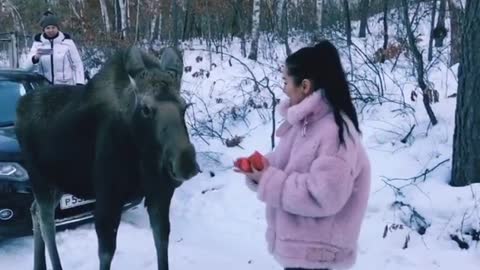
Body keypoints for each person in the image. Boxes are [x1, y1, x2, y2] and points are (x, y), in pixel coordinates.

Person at [235, 40, 371, 270]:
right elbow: (284, 163)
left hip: (319, 257)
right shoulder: (307, 124)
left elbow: (324, 196)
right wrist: (258, 167)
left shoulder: (335, 133)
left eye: (285, 81)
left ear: (305, 86)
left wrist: (267, 179)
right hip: (304, 255)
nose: (284, 88)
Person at [25, 11, 85, 85]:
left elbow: (77, 64)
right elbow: (26, 68)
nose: (51, 30)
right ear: (44, 30)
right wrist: (35, 58)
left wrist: (79, 83)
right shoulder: (38, 44)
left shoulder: (67, 42)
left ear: (58, 28)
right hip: (45, 88)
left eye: (53, 27)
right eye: (48, 28)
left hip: (65, 87)